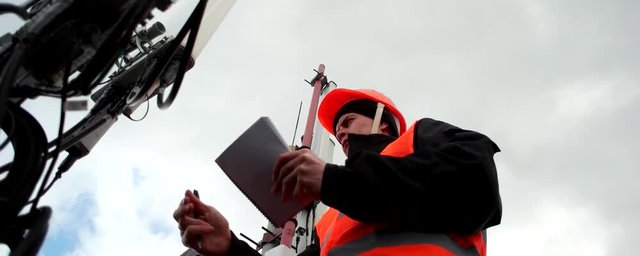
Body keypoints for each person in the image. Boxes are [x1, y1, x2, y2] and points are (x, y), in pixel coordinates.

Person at [173, 88, 502, 255]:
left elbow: (475, 185)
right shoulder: (331, 222)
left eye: (347, 122)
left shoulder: (422, 137)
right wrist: (228, 247)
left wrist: (333, 181)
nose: (340, 133)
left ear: (381, 120)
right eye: (337, 130)